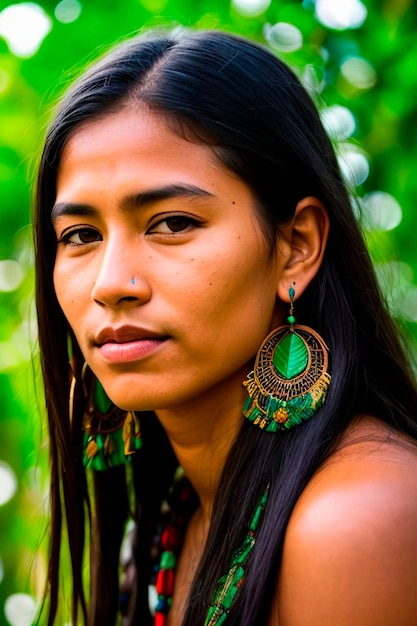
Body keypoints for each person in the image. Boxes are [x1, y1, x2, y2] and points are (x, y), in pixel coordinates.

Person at [33, 27, 417, 626]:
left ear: (295, 247)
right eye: (80, 235)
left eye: (172, 222)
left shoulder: (358, 520)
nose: (110, 283)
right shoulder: (176, 516)